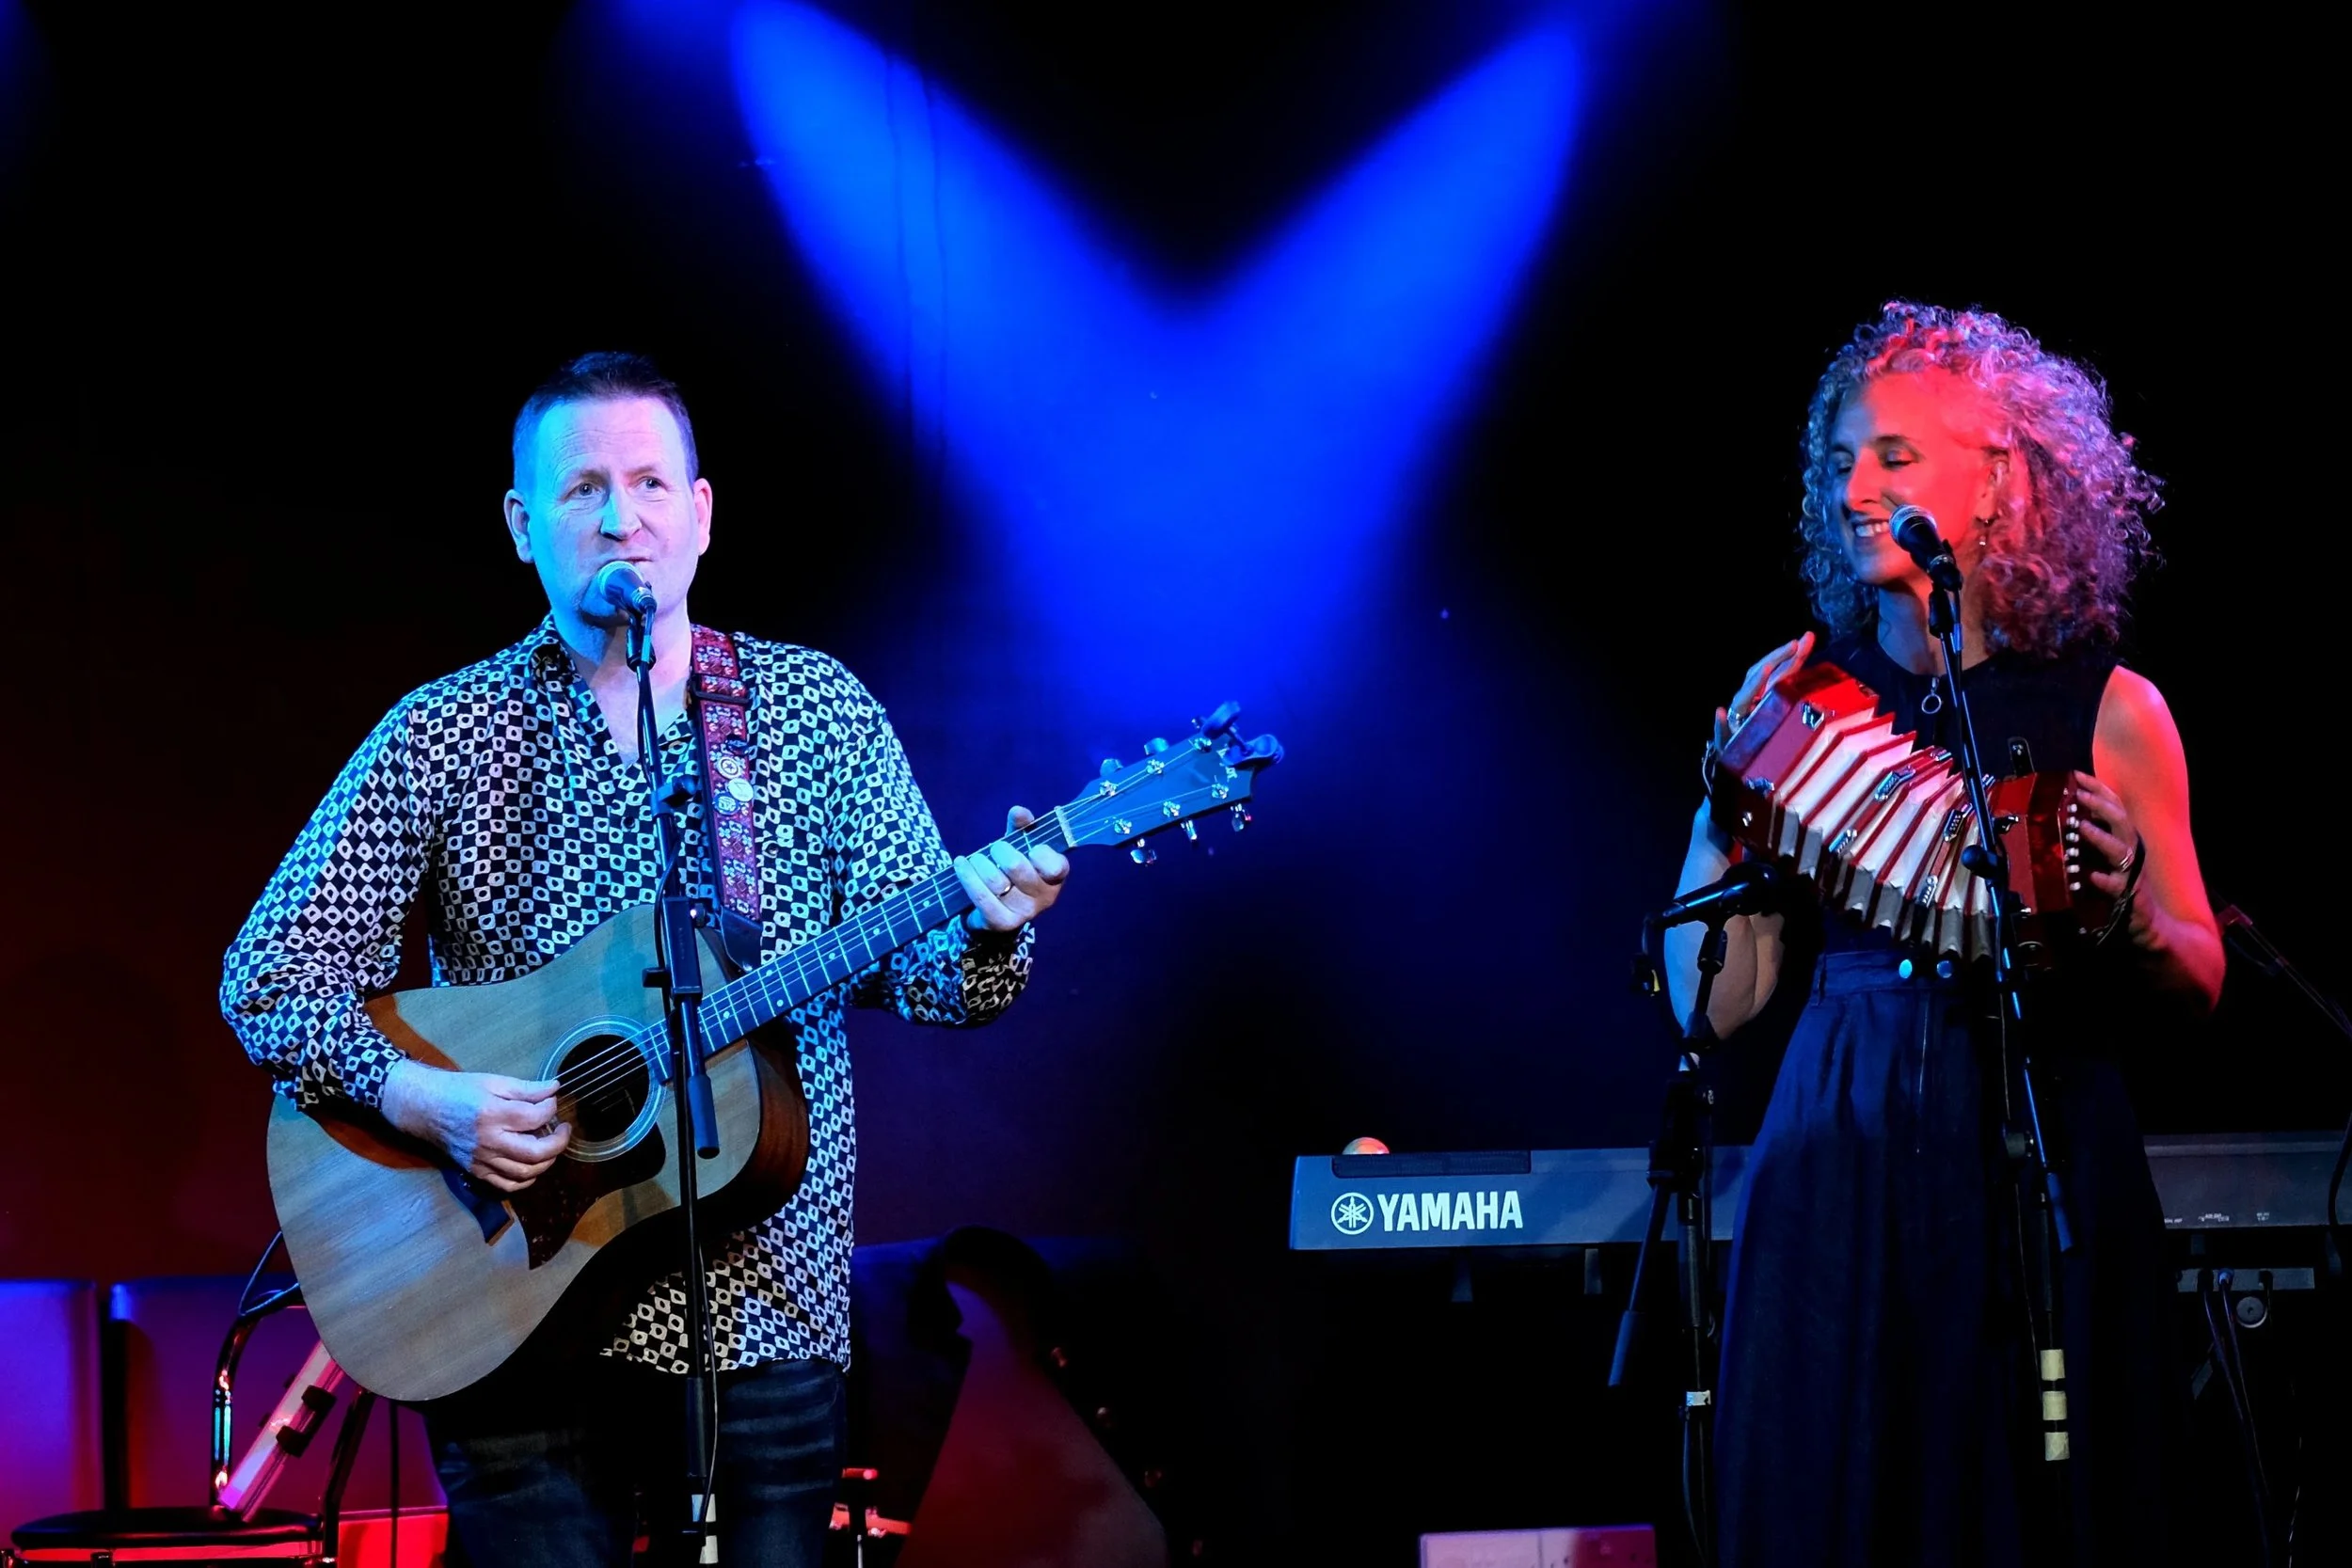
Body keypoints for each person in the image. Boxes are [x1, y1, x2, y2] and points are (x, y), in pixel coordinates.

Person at [220, 352, 1069, 1566]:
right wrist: (428, 1099)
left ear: (701, 513)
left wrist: (991, 925)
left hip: (762, 1310)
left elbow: (929, 976)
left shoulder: (812, 712)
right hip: (508, 1301)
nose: (623, 517)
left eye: (650, 483)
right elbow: (268, 974)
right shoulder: (446, 733)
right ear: (523, 526)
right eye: (584, 490)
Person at [1665, 303, 2226, 1566]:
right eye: (1843, 461)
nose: (1854, 489)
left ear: (2001, 480)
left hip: (2041, 1133)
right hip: (1841, 1132)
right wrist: (1717, 814)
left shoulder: (2111, 707)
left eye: (1895, 457)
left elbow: (2199, 974)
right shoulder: (1800, 698)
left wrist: (2133, 915)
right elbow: (1715, 1005)